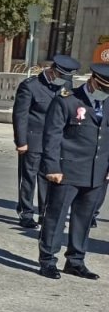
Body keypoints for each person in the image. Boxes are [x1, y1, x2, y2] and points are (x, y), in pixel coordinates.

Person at [36, 63, 109, 280]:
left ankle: (75, 261)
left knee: (84, 219)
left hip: (97, 172)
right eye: (104, 88)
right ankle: (48, 260)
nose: (105, 93)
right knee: (55, 217)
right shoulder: (67, 99)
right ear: (92, 81)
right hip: (66, 170)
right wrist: (52, 167)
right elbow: (52, 136)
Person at [13, 56, 78, 228]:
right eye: (61, 76)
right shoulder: (31, 86)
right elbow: (20, 115)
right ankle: (26, 212)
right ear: (52, 71)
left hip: (54, 143)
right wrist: (21, 141)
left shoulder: (65, 85)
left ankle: (45, 213)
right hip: (33, 139)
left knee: (48, 179)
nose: (64, 80)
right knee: (28, 178)